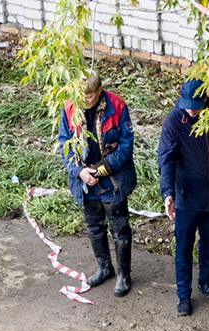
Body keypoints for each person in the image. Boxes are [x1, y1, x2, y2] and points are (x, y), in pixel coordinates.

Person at [156, 79, 209, 317]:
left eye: (196, 105)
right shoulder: (173, 123)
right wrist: (168, 193)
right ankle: (183, 295)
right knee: (184, 248)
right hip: (186, 197)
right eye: (188, 104)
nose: (192, 109)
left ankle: (207, 282)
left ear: (205, 99)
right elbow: (166, 159)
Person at [56, 73, 136, 297]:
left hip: (112, 181)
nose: (85, 101)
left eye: (89, 96)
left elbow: (125, 147)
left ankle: (123, 274)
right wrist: (80, 172)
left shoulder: (117, 105)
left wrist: (100, 171)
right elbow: (64, 144)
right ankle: (104, 268)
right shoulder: (70, 106)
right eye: (82, 96)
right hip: (85, 183)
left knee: (120, 230)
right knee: (94, 227)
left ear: (100, 90)